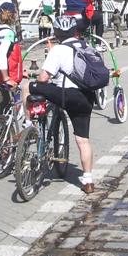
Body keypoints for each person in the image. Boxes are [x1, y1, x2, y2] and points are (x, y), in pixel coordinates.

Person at [22, 16, 96, 194]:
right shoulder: (88, 47)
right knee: (83, 140)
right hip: (87, 97)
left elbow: (43, 78)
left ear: (56, 33)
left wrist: (37, 77)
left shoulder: (58, 50)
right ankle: (88, 181)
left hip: (66, 95)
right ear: (74, 31)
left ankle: (28, 124)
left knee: (28, 87)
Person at [0, 2, 25, 115]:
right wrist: (6, 78)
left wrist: (21, 72)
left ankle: (9, 130)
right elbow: (1, 54)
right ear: (13, 15)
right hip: (6, 81)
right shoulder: (8, 33)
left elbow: (9, 57)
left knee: (5, 118)